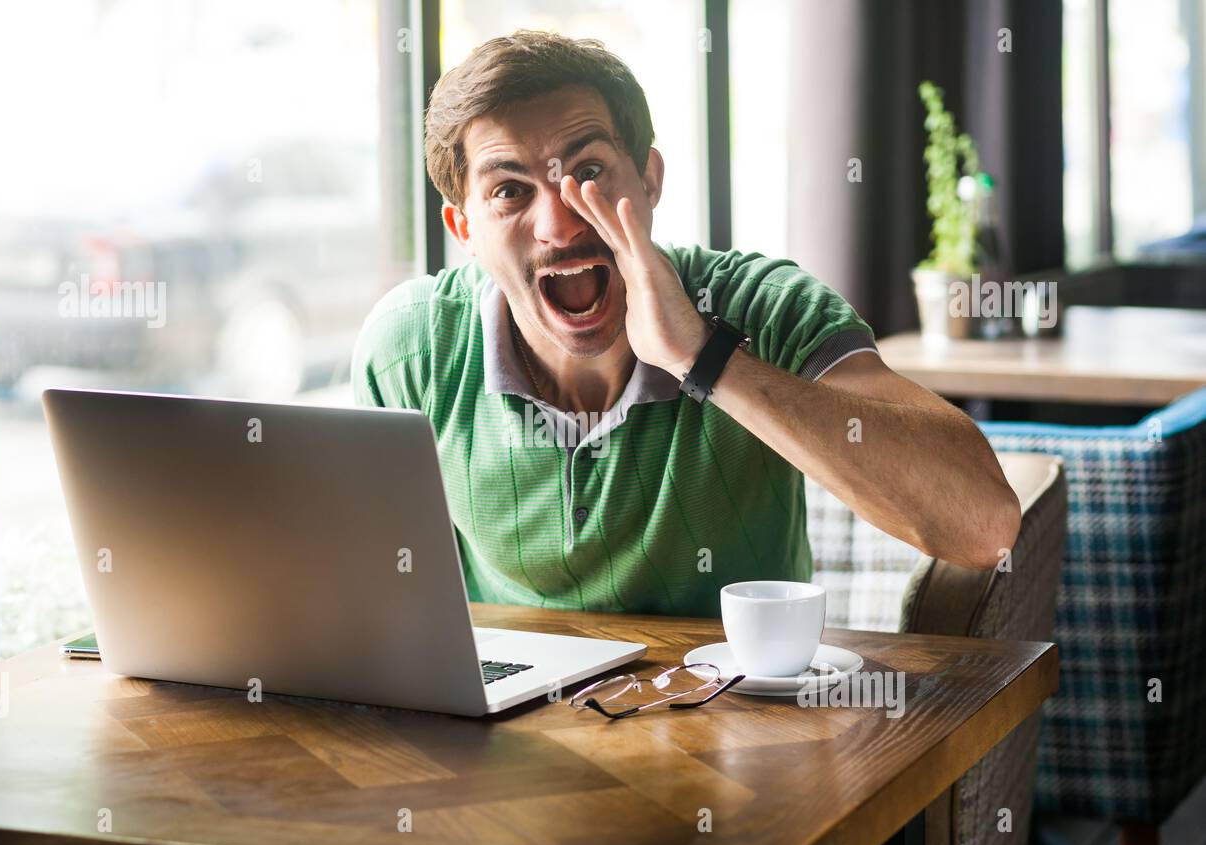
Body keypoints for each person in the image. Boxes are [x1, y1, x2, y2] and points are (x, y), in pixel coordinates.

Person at [351, 30, 1019, 618]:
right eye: (510, 191)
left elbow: (985, 524)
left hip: (740, 736)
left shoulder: (764, 305)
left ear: (648, 181)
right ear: (464, 228)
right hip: (518, 742)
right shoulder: (411, 348)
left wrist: (706, 358)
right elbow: (381, 598)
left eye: (588, 172)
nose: (559, 223)